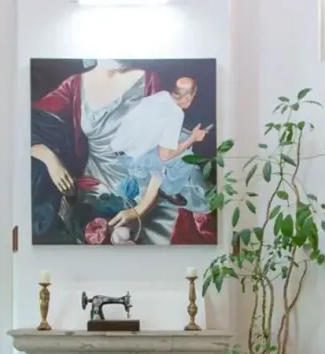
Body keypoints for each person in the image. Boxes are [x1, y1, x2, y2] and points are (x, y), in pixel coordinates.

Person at [30, 59, 217, 245]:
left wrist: (140, 209)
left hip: (147, 190)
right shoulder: (74, 85)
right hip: (95, 189)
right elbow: (25, 129)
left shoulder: (149, 81)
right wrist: (50, 158)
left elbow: (161, 158)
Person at [107, 77, 210, 231]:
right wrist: (193, 138)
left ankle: (160, 177)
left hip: (121, 147)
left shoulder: (161, 96)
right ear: (189, 96)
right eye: (192, 96)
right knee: (187, 156)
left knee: (181, 136)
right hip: (132, 159)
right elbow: (164, 156)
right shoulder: (176, 114)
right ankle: (169, 190)